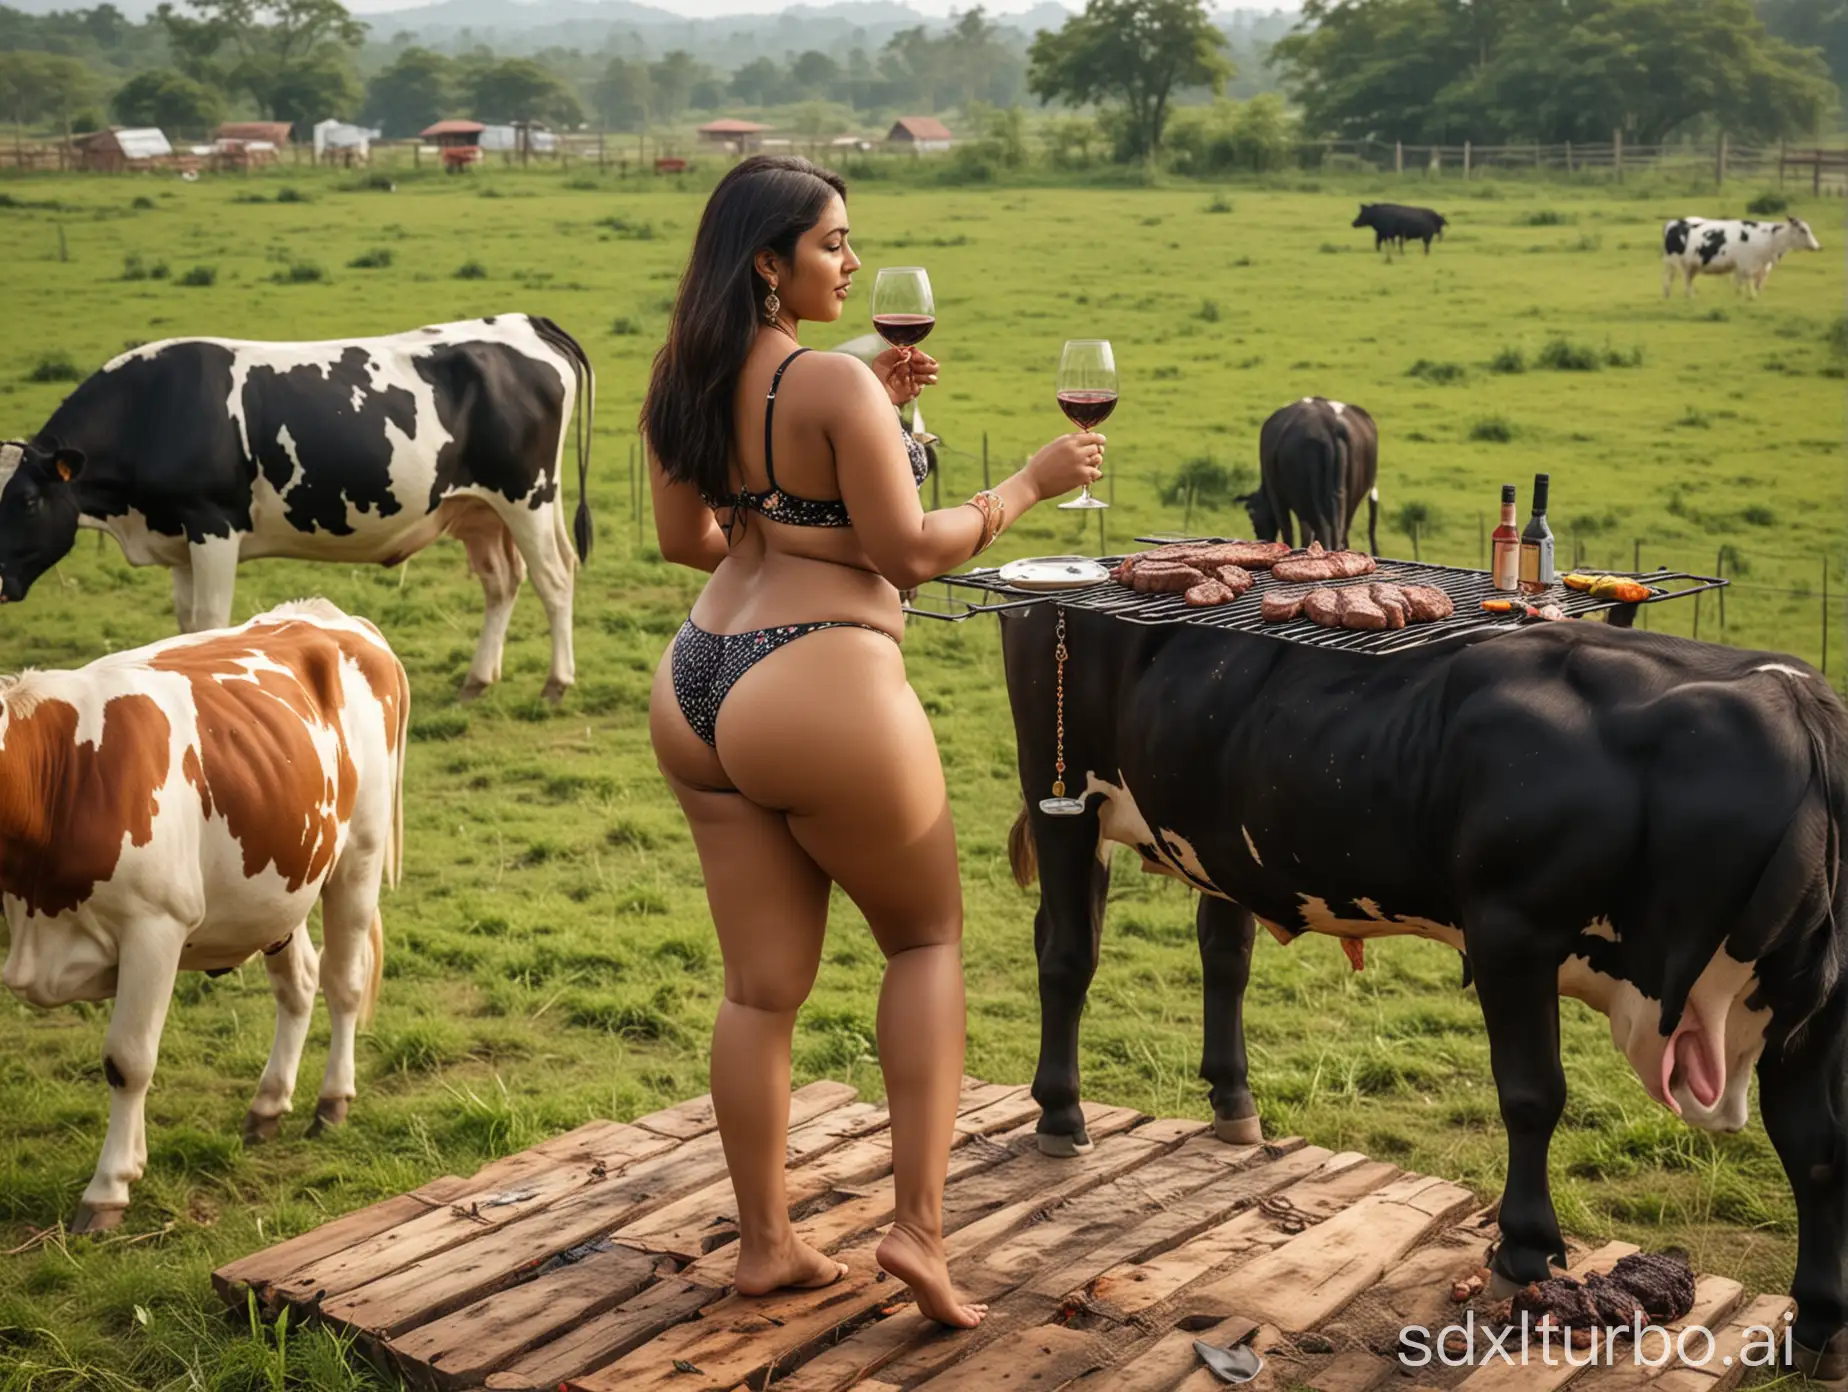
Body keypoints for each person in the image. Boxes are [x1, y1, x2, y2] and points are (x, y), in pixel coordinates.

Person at [642, 154, 1104, 1328]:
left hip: (697, 683)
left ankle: (766, 1247)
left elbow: (692, 540)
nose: (850, 262)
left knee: (759, 994)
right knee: (926, 940)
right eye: (835, 243)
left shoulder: (681, 374)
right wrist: (1024, 487)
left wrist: (857, 417)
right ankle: (920, 1234)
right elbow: (911, 552)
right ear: (769, 261)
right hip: (821, 688)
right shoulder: (831, 393)